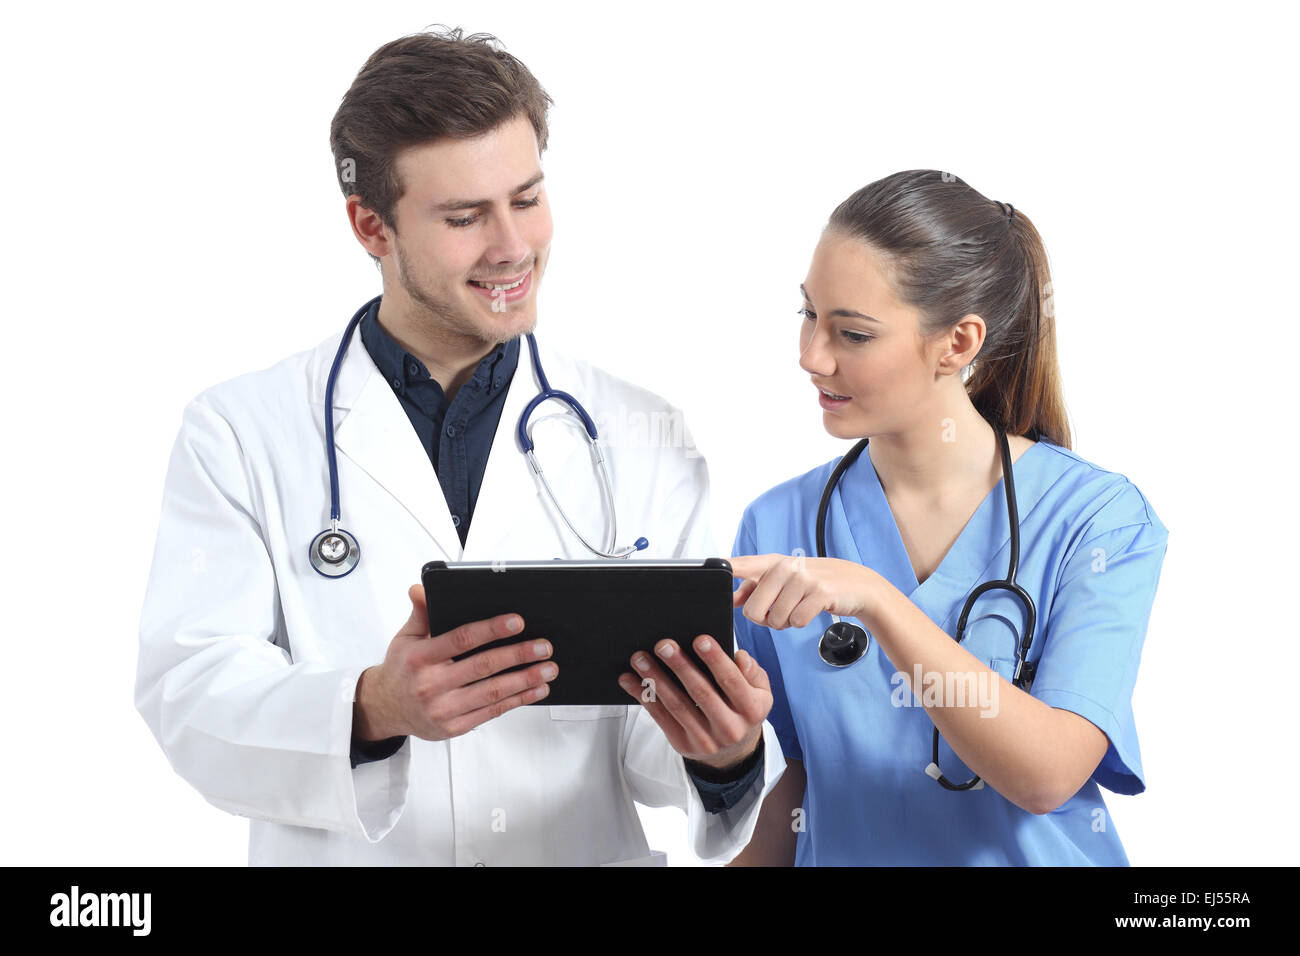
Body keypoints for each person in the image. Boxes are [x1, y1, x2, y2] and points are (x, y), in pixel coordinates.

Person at [135, 27, 784, 866]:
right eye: (465, 217)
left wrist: (724, 750)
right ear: (372, 226)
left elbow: (652, 746)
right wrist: (375, 707)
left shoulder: (640, 432)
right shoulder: (240, 431)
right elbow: (188, 699)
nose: (512, 247)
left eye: (527, 198)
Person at [726, 170, 1169, 866]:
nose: (811, 356)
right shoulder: (778, 522)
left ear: (958, 344)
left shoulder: (1097, 520)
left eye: (853, 333)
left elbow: (1048, 775)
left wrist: (877, 600)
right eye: (809, 313)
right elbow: (800, 781)